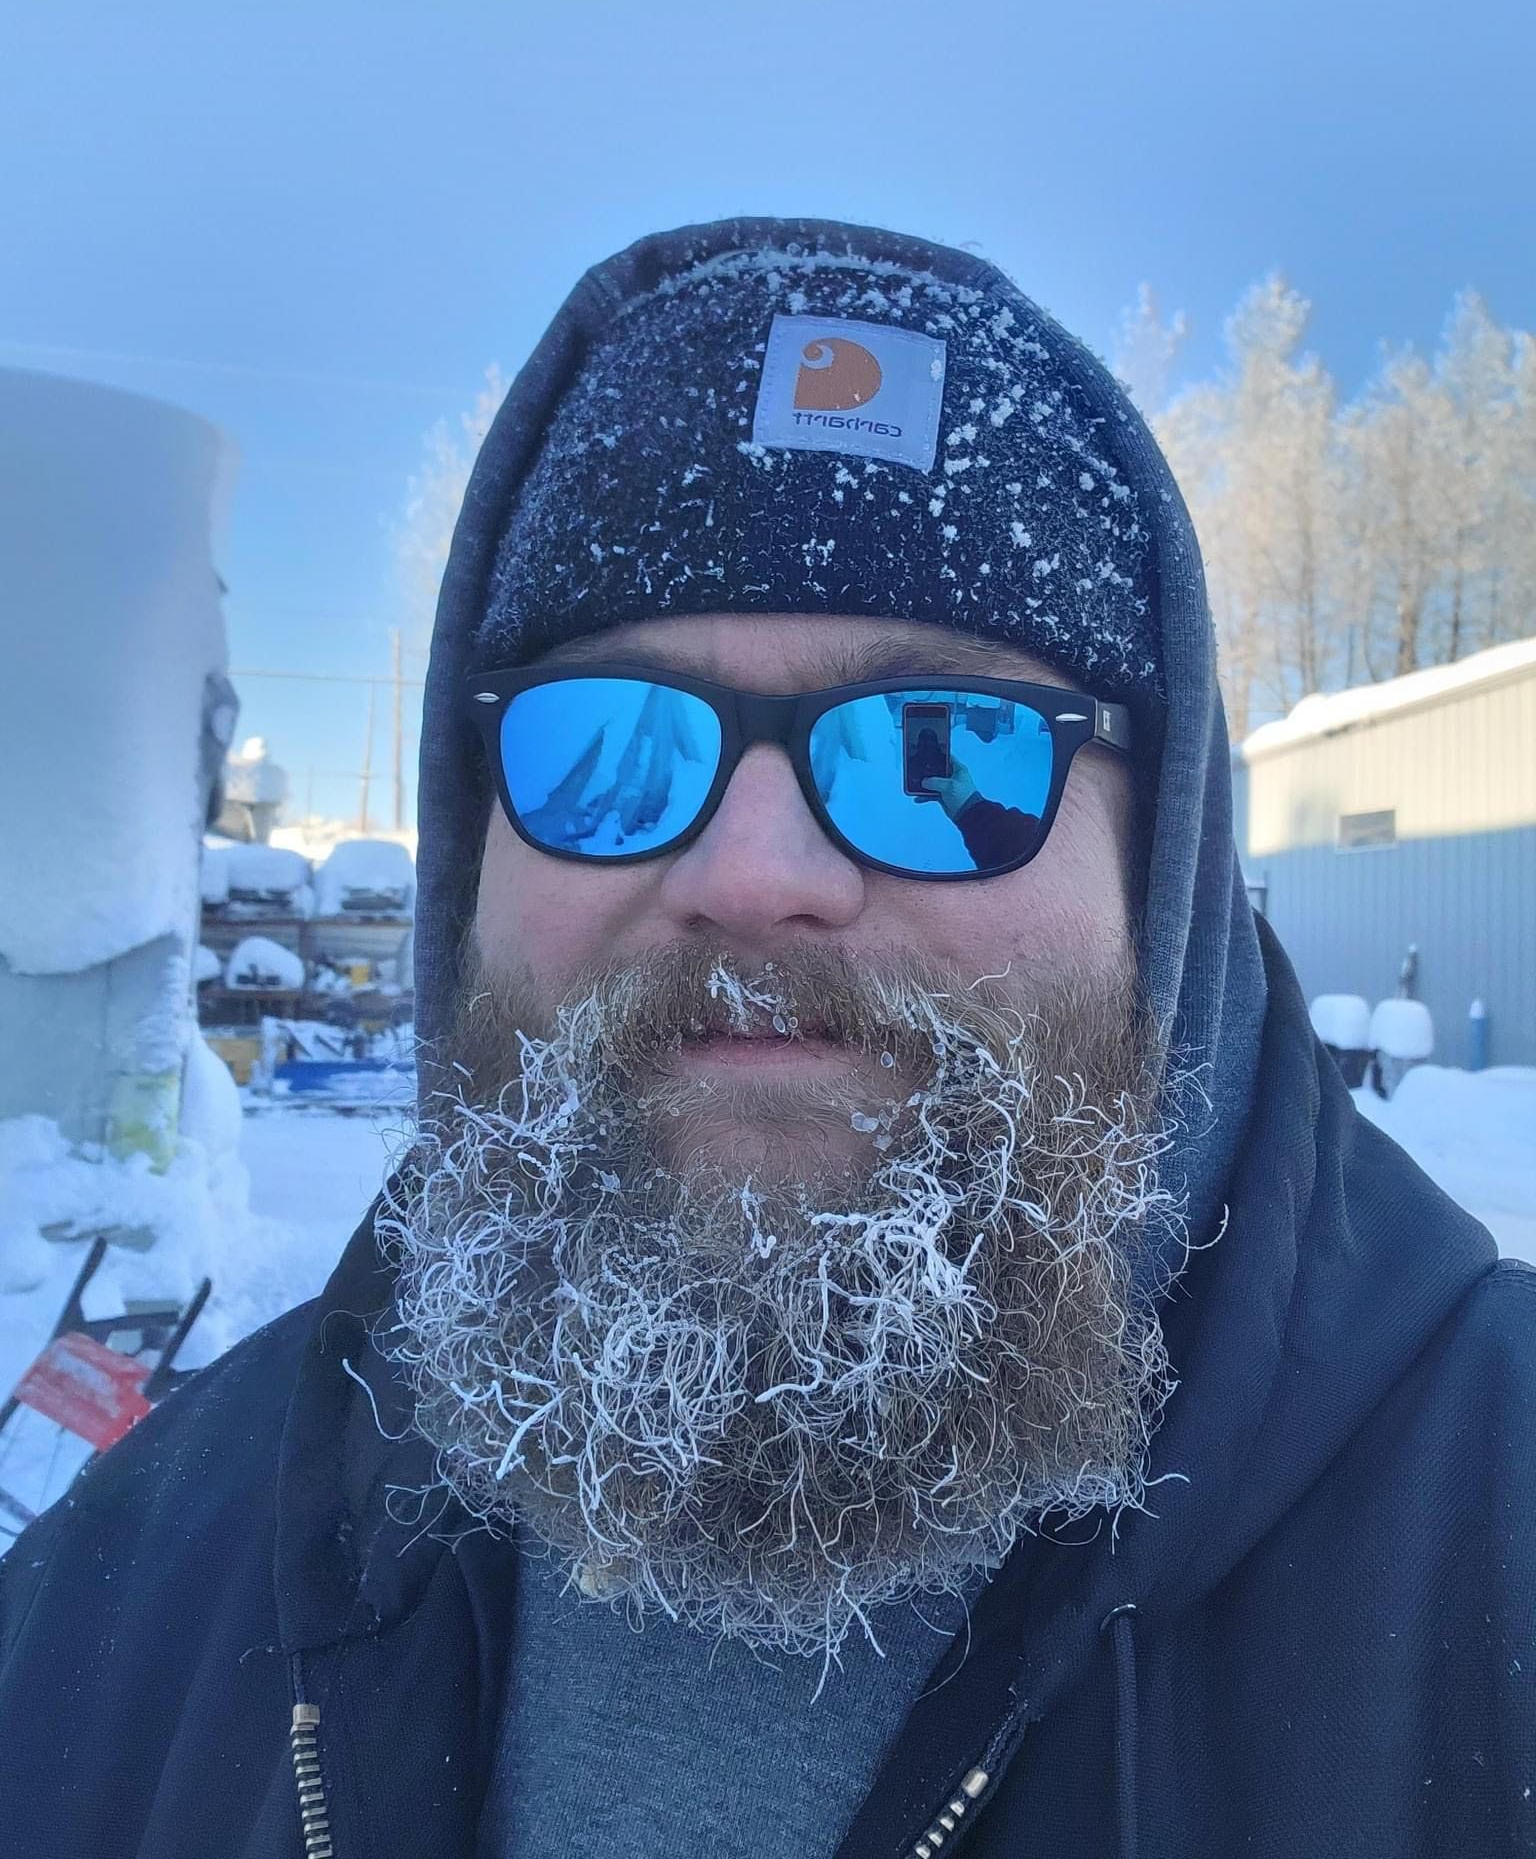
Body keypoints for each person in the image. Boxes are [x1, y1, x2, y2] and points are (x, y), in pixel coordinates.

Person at [2, 217, 1531, 1859]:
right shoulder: (121, 1596)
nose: (752, 873)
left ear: (1161, 876)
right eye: (611, 744)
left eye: (944, 749)